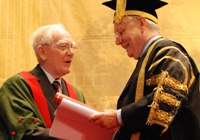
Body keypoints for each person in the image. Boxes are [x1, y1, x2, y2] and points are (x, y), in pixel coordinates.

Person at [89, 0, 200, 140]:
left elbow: (165, 102)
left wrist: (119, 117)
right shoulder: (149, 58)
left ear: (142, 23)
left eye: (121, 32)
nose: (118, 41)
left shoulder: (168, 53)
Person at [0, 24, 86, 140]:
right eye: (63, 46)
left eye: (72, 47)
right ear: (42, 52)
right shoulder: (17, 86)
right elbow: (27, 133)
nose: (71, 52)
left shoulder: (76, 94)